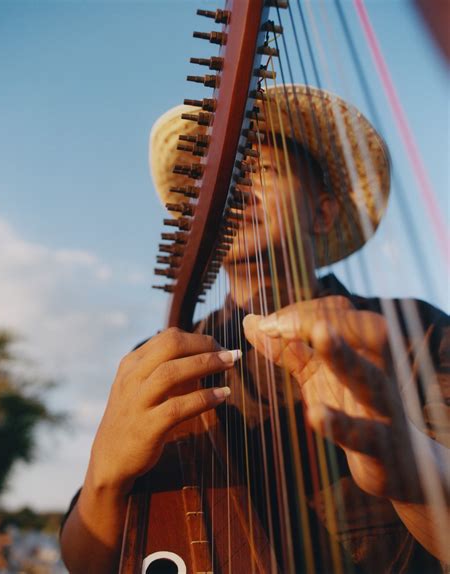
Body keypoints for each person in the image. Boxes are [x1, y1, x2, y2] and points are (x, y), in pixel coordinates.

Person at [60, 85, 450, 573]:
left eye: (261, 170)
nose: (232, 190)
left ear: (322, 211)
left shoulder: (419, 332)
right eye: (214, 179)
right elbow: (85, 564)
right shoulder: (163, 358)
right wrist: (104, 478)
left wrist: (410, 474)